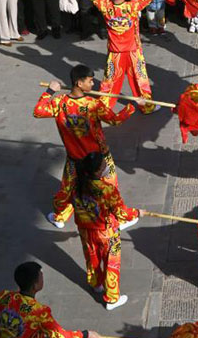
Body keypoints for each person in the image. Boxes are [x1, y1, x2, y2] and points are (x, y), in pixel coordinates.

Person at [34, 65, 150, 227]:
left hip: (75, 159)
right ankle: (122, 218)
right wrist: (132, 106)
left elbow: (38, 111)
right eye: (90, 81)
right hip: (99, 157)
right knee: (110, 188)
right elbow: (115, 120)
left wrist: (50, 91)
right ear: (79, 83)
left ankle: (60, 217)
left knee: (67, 189)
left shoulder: (60, 103)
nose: (93, 84)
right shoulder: (93, 104)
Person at [73, 152, 145, 310]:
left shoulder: (75, 183)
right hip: (105, 231)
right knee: (112, 261)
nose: (107, 166)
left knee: (91, 256)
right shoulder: (107, 189)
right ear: (98, 171)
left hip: (85, 229)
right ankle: (112, 297)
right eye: (104, 164)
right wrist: (138, 213)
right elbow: (122, 213)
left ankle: (96, 283)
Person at [81, 0, 154, 103]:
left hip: (115, 52)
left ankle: (104, 105)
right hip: (133, 52)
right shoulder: (132, 7)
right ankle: (147, 106)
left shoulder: (105, 6)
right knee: (140, 79)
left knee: (109, 81)